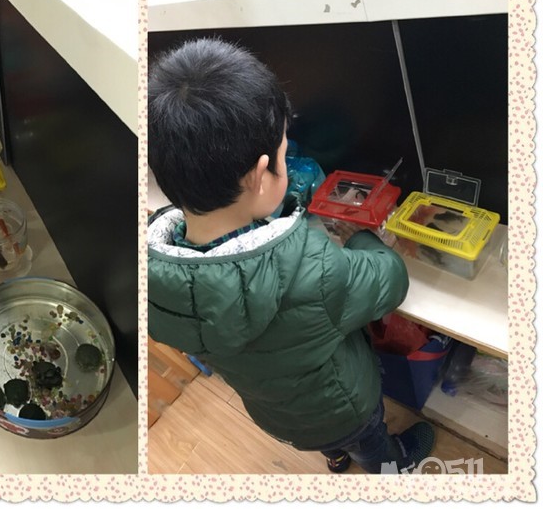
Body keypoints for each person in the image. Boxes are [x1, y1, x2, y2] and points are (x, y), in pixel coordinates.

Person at [148, 37, 433, 475]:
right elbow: (391, 279)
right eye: (284, 151)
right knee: (369, 440)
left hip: (275, 413)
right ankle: (392, 467)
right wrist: (360, 237)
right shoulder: (314, 270)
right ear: (262, 175)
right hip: (344, 408)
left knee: (328, 441)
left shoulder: (158, 277)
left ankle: (335, 458)